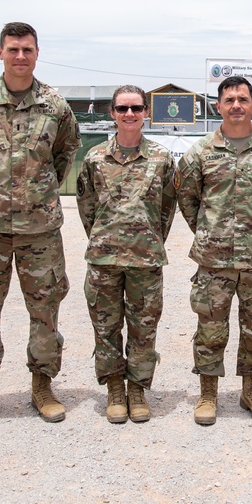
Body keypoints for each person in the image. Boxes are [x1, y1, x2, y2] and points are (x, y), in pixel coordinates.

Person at [0, 22, 81, 427]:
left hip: (39, 229)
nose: (20, 56)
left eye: (27, 49)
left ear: (37, 53)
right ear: (0, 52)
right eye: (13, 49)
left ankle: (42, 387)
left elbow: (64, 155)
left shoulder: (55, 106)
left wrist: (34, 193)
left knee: (45, 311)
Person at [176, 76, 252, 425]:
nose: (237, 105)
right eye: (229, 100)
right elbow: (188, 199)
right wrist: (210, 231)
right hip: (214, 260)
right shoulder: (201, 152)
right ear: (219, 106)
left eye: (243, 99)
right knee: (211, 329)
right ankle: (208, 394)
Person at [75, 86, 176, 424]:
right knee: (105, 328)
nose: (129, 114)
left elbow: (167, 209)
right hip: (104, 260)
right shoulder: (94, 158)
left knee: (144, 329)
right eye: (122, 108)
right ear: (112, 113)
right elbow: (86, 207)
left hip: (145, 260)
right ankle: (115, 389)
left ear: (146, 111)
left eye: (136, 108)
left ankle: (138, 388)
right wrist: (105, 238)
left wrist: (149, 240)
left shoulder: (161, 158)